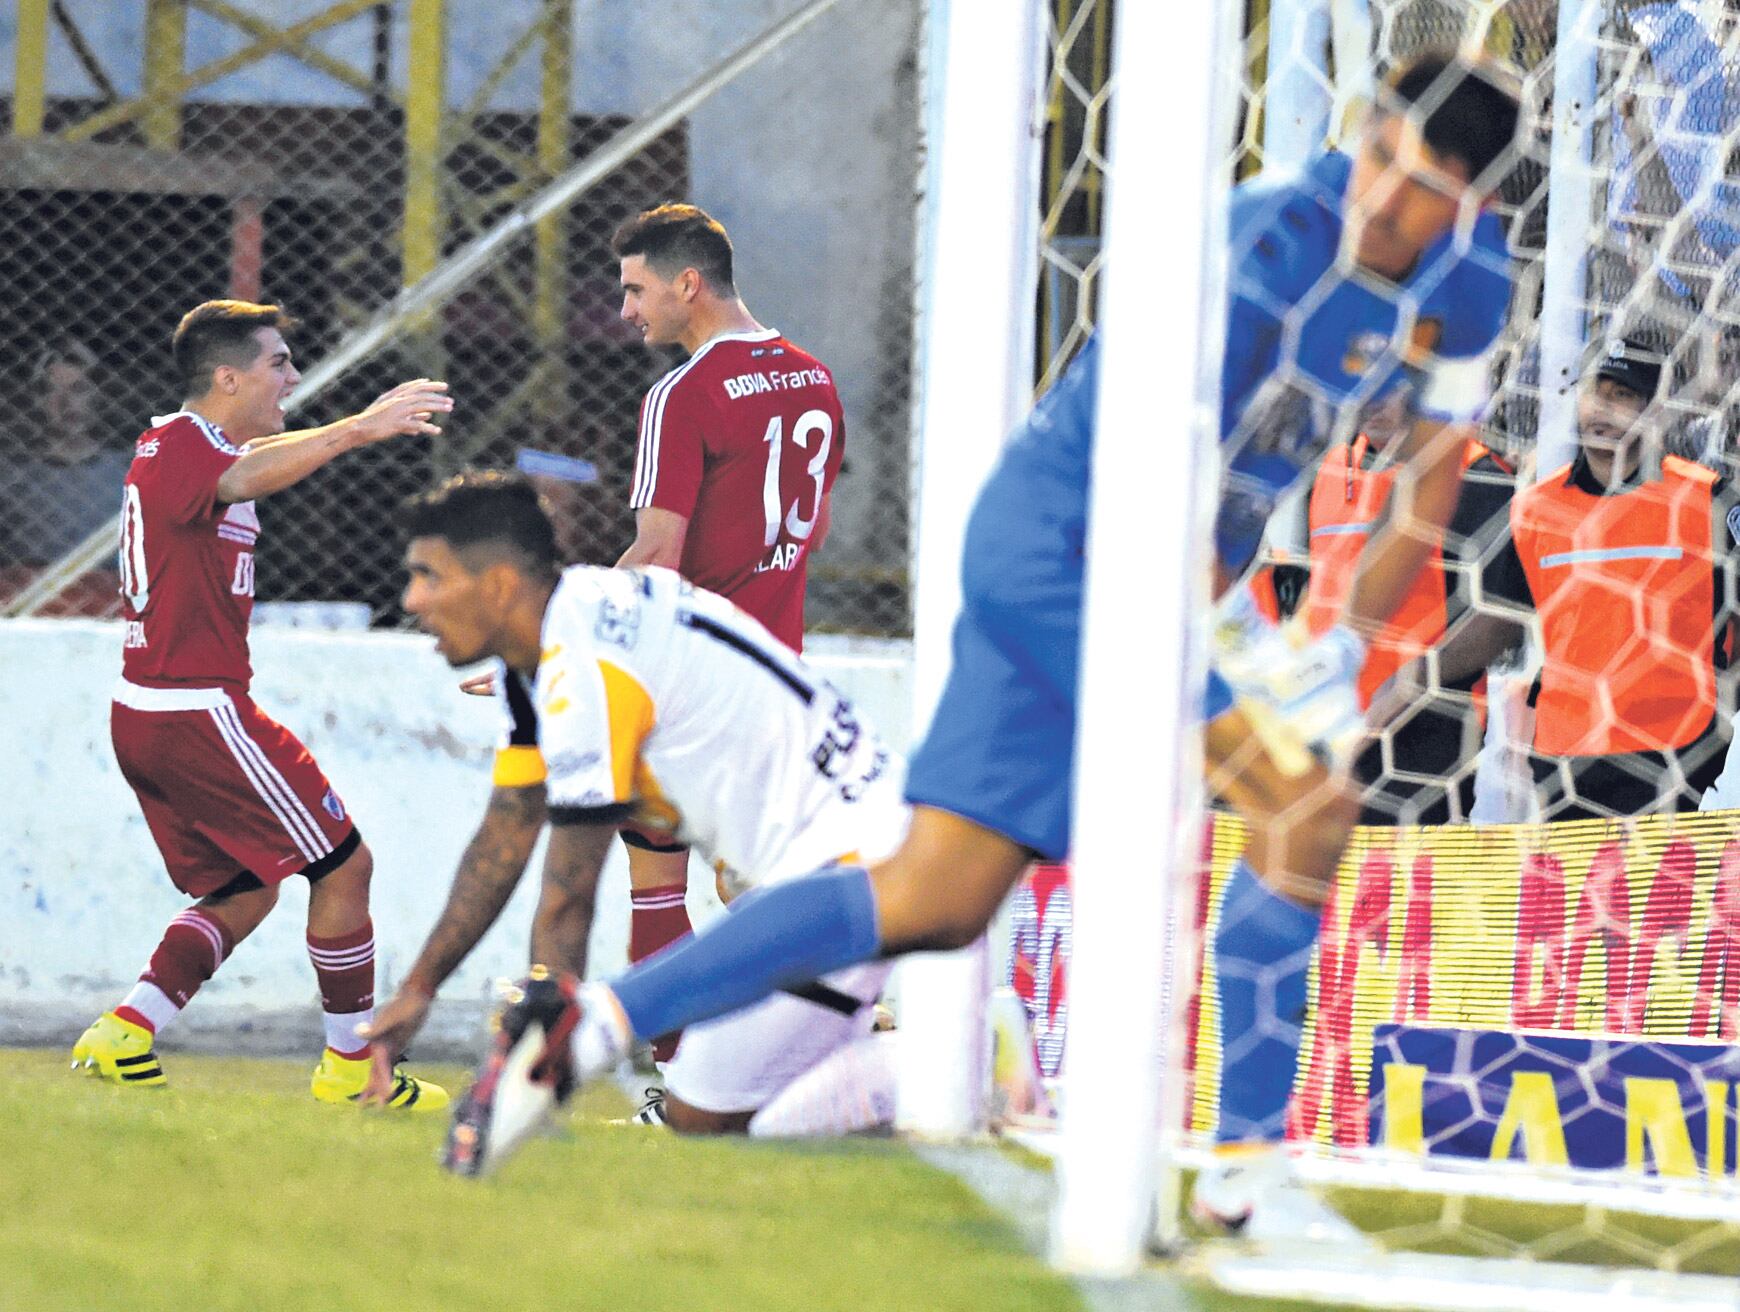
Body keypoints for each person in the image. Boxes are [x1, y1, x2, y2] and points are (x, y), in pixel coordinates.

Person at [426, 54, 1521, 1205]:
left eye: (1423, 187)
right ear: (1364, 126)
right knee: (1303, 809)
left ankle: (583, 1027)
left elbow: (1432, 475)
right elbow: (1160, 478)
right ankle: (1245, 1176)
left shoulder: (1473, 280)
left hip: (1150, 571)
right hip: (1069, 548)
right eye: (1381, 154)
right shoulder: (1267, 244)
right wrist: (1238, 648)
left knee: (934, 897)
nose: (1384, 197)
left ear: (1474, 203)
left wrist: (1336, 640)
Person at [360, 471, 906, 1146]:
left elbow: (569, 896)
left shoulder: (581, 668)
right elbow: (505, 835)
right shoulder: (562, 634)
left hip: (844, 862)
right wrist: (420, 987)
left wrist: (535, 1071)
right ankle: (924, 1065)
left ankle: (951, 1066)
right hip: (842, 844)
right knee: (721, 1117)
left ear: (499, 585)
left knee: (705, 1117)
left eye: (429, 577)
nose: (412, 599)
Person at [71, 299, 453, 1111]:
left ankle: (126, 1029)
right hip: (194, 708)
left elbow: (252, 457)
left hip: (154, 710)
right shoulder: (186, 447)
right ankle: (352, 1068)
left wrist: (341, 429)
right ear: (227, 376)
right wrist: (359, 428)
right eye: (278, 362)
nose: (292, 376)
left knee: (246, 885)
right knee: (345, 864)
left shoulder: (188, 443)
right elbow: (244, 476)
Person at [611, 203, 849, 1056]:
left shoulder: (684, 394)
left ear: (688, 284)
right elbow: (809, 530)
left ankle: (679, 1089)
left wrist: (563, 635)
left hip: (695, 682)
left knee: (655, 875)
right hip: (778, 672)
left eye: (637, 290)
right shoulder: (815, 377)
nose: (627, 310)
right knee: (754, 886)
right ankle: (818, 1042)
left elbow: (658, 549)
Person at [1387, 336, 1740, 822]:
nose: (1603, 409)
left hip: (1675, 750)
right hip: (1566, 754)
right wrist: (1409, 680)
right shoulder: (1537, 510)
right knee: (1579, 898)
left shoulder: (1708, 500)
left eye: (1623, 395)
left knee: (1649, 898)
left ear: (1656, 408)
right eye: (1596, 391)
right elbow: (1498, 619)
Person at [1284, 388, 1516, 825]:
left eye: (1395, 387)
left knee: (1406, 889)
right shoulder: (1331, 469)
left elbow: (1500, 619)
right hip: (1327, 731)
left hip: (1424, 740)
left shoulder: (1473, 472)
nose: (1377, 400)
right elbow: (1314, 591)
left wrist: (1407, 684)